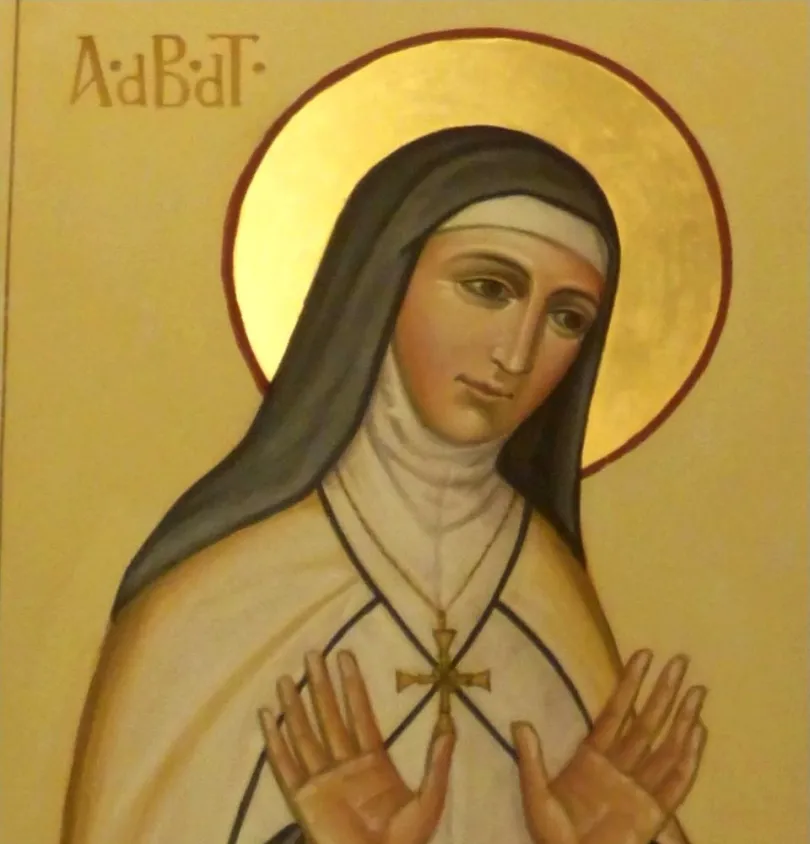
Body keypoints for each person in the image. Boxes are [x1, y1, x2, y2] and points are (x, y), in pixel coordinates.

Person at [62, 126, 706, 844]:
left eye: (566, 318)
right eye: (488, 288)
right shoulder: (214, 600)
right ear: (385, 281)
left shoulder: (550, 592)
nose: (518, 352)